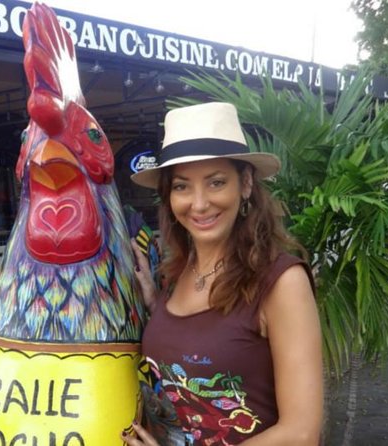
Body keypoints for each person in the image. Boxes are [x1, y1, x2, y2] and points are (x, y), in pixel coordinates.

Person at [124, 102, 323, 445]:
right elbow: (202, 339)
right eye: (182, 186)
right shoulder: (174, 274)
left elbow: (301, 433)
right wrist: (155, 305)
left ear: (245, 184)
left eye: (216, 183)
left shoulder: (281, 282)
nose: (199, 204)